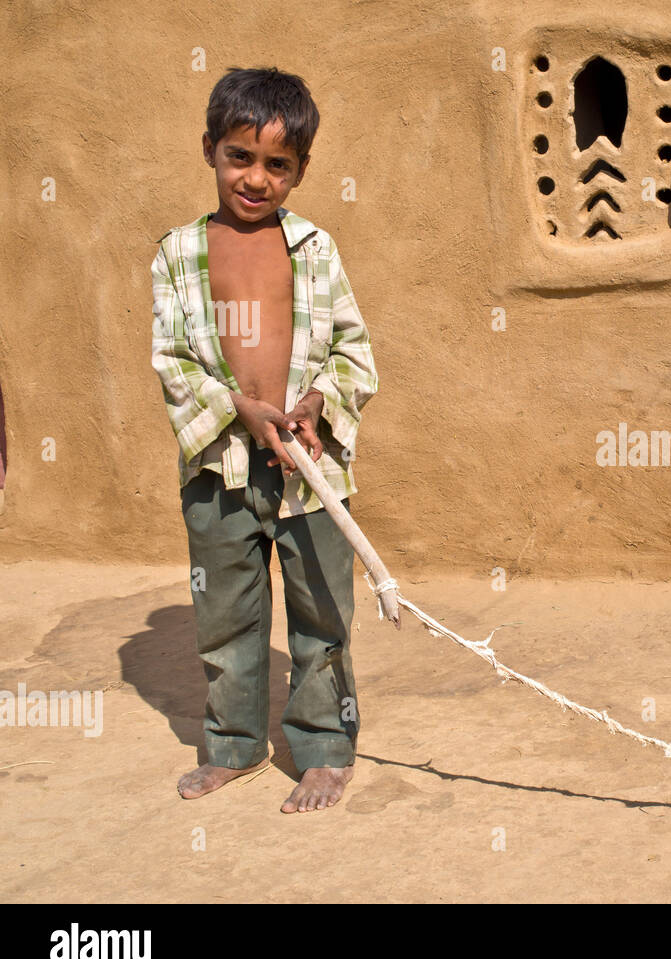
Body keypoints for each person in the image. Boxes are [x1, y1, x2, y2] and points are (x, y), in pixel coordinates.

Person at [150, 66, 378, 812]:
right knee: (225, 614)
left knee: (321, 613)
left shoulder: (314, 248)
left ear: (301, 171)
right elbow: (173, 361)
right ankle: (234, 745)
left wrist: (316, 401)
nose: (256, 178)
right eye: (239, 156)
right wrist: (238, 409)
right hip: (219, 462)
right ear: (209, 148)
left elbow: (354, 350)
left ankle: (323, 748)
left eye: (277, 165)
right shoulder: (178, 252)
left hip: (309, 467)